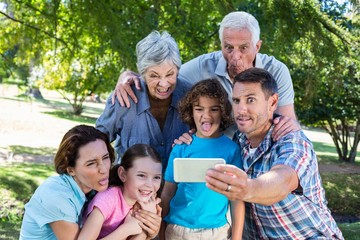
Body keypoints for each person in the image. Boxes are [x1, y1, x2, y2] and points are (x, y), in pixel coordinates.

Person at [112, 11, 298, 140]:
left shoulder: (277, 71)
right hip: (216, 153)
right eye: (228, 48)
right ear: (221, 45)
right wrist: (128, 75)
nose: (235, 57)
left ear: (257, 46)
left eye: (243, 48)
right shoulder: (202, 67)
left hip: (257, 150)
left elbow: (287, 124)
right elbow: (165, 75)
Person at [205, 68, 344, 239]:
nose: (241, 110)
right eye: (236, 100)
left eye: (250, 100)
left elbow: (282, 181)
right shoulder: (236, 141)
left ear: (272, 103)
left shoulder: (292, 141)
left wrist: (247, 188)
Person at [20, 125, 162, 240]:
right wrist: (127, 229)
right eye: (91, 163)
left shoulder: (95, 186)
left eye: (105, 158)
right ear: (71, 170)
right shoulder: (57, 198)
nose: (103, 169)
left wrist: (148, 227)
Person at [160, 79, 244, 240]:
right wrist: (160, 232)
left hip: (217, 232)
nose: (206, 116)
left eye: (214, 109)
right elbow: (167, 193)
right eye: (199, 109)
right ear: (191, 112)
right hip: (178, 231)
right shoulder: (180, 148)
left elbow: (236, 198)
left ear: (223, 112)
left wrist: (237, 237)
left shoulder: (231, 150)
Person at [96, 30, 191, 168]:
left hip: (179, 188)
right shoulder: (123, 98)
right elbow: (96, 143)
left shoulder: (191, 96)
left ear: (177, 70)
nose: (164, 84)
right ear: (142, 73)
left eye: (170, 74)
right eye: (154, 76)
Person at [79, 144, 163, 239]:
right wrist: (126, 229)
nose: (149, 184)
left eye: (156, 177)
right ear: (123, 174)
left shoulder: (148, 204)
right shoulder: (107, 199)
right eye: (141, 175)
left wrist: (145, 230)